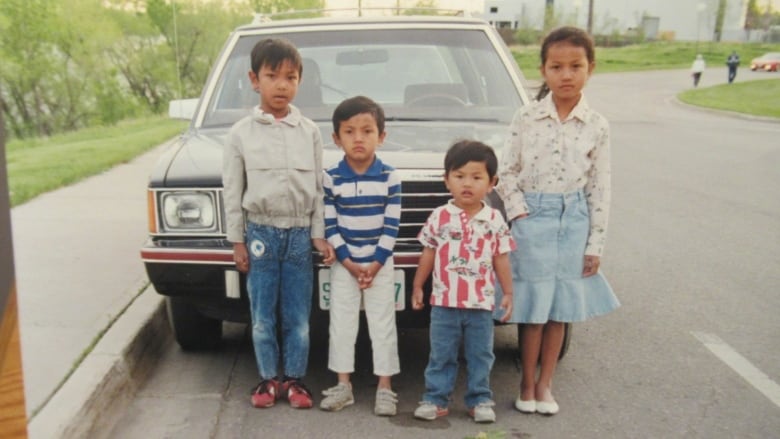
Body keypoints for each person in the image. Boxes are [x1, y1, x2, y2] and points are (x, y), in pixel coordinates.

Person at [494, 26, 620, 416]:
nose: (566, 75)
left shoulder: (596, 125)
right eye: (557, 66)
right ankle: (526, 382)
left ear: (590, 69)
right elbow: (506, 170)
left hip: (574, 220)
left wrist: (595, 243)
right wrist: (519, 211)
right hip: (532, 219)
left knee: (560, 310)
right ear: (544, 70)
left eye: (575, 66)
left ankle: (546, 384)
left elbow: (601, 187)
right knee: (533, 308)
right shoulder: (527, 117)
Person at [223, 38, 335, 410]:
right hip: (260, 232)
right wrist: (237, 240)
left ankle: (297, 380)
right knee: (261, 313)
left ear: (300, 81)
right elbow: (233, 191)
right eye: (273, 76)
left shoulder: (310, 132)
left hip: (300, 234)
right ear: (255, 80)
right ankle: (268, 378)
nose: (282, 85)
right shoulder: (241, 134)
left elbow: (318, 189)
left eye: (291, 77)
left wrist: (318, 234)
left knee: (297, 315)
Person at [411, 140, 515, 424]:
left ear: (492, 182)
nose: (467, 184)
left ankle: (479, 398)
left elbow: (501, 258)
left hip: (480, 304)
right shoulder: (439, 217)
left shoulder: (494, 219)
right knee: (441, 354)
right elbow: (428, 252)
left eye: (476, 177)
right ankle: (435, 398)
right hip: (444, 303)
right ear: (447, 180)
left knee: (481, 354)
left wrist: (507, 292)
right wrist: (418, 285)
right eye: (459, 176)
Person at [319, 96, 402, 416]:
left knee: (383, 323)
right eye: (349, 131)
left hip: (380, 263)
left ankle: (385, 387)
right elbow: (331, 224)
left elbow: (391, 226)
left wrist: (376, 263)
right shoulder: (331, 178)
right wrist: (351, 263)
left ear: (381, 136)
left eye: (367, 131)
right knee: (341, 323)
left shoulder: (389, 177)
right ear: (336, 138)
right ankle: (343, 385)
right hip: (345, 263)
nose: (358, 138)